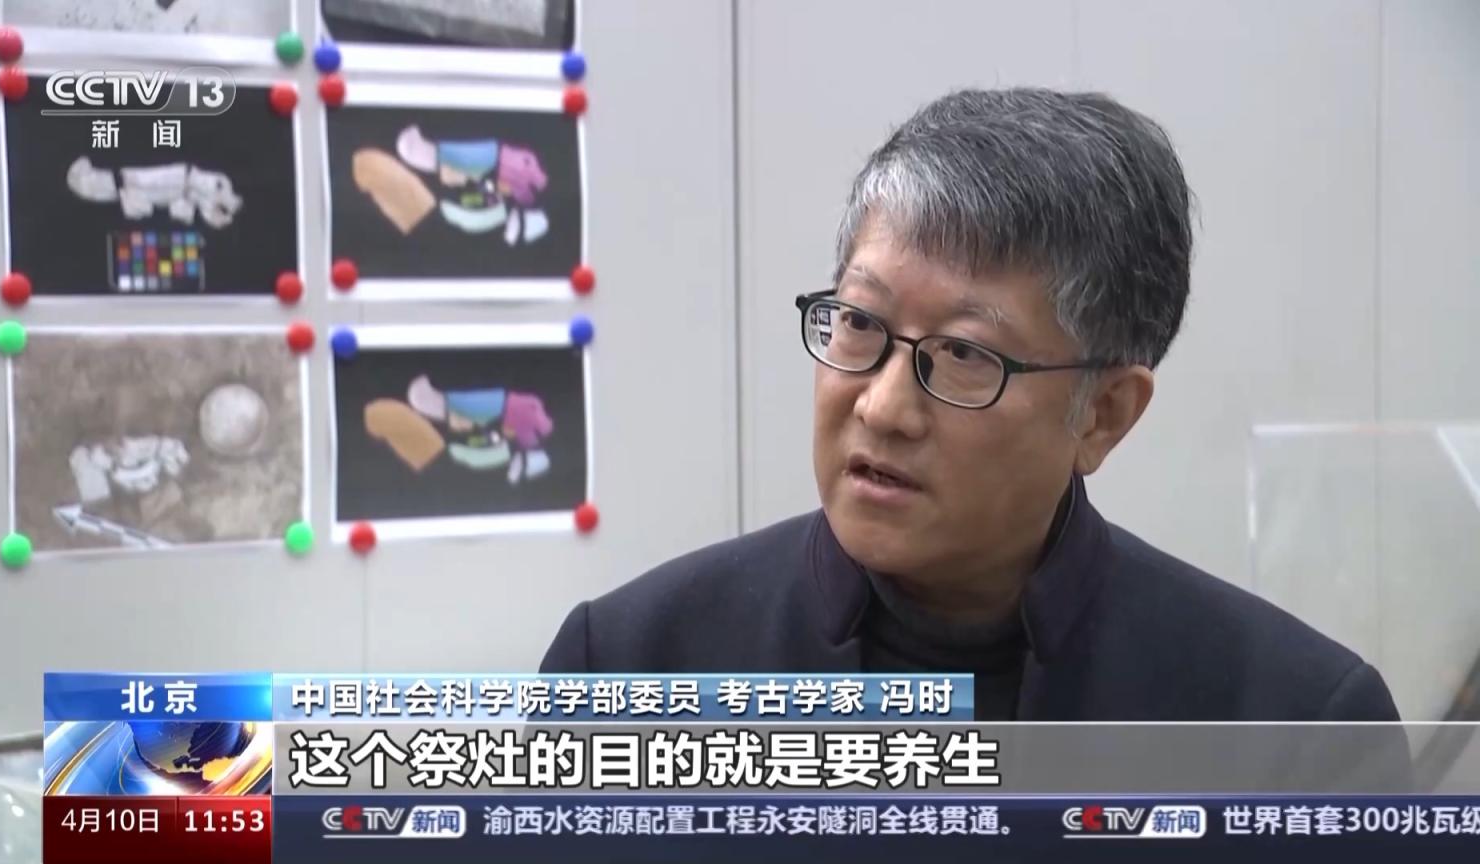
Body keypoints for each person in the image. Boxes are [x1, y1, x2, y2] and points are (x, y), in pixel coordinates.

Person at [540, 88, 1402, 725]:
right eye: (859, 323)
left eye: (963, 355)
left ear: (1103, 414)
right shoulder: (625, 671)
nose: (883, 408)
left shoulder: (1292, 726)